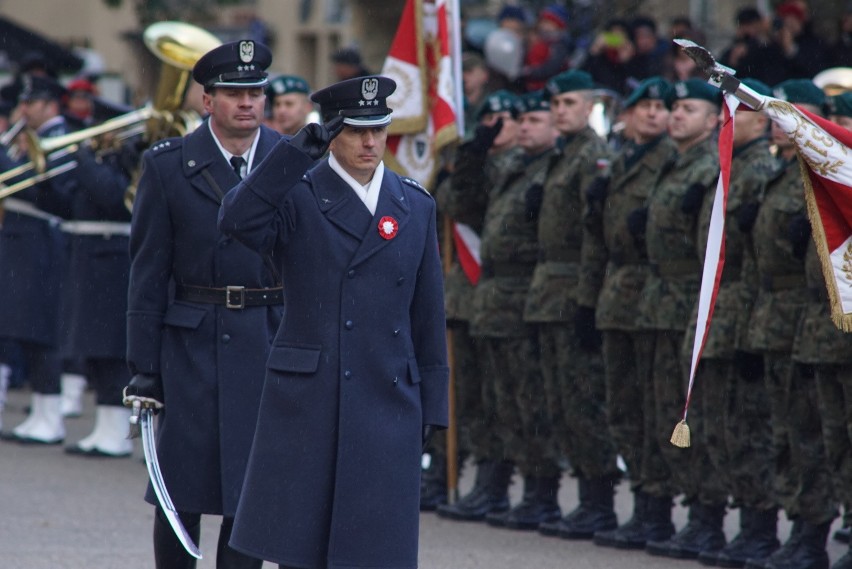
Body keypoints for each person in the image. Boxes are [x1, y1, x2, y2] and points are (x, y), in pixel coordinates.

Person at [219, 75, 449, 569]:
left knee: (376, 550)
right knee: (305, 550)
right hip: (311, 397)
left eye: (378, 130)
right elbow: (236, 221)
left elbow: (427, 315)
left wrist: (434, 405)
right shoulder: (297, 193)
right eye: (354, 131)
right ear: (330, 134)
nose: (369, 142)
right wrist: (292, 155)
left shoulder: (416, 203)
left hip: (387, 395)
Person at [122, 39, 285, 569]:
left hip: (267, 333)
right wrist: (143, 367)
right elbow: (149, 272)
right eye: (234, 93)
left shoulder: (289, 161)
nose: (247, 103)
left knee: (254, 492)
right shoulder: (169, 166)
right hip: (192, 342)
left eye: (255, 92)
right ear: (206, 100)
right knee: (181, 492)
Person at [580, 77, 677, 549]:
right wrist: (586, 299)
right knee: (622, 407)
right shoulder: (620, 162)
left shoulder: (670, 161)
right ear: (630, 114)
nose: (656, 114)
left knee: (650, 406)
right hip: (617, 297)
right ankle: (641, 501)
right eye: (648, 106)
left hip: (651, 295)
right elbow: (597, 244)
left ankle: (656, 507)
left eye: (664, 106)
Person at [527, 70, 621, 540]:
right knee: (562, 402)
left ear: (589, 107)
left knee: (585, 402)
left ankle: (600, 501)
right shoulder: (562, 155)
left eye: (568, 102)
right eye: (556, 103)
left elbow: (594, 237)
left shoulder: (593, 156)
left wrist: (587, 301)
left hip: (572, 292)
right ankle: (587, 498)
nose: (559, 109)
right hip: (549, 291)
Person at [632, 78, 722, 553]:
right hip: (656, 301)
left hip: (686, 301)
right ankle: (663, 509)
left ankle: (703, 515)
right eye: (676, 107)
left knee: (689, 414)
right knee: (656, 413)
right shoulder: (673, 163)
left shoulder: (709, 167)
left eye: (689, 108)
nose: (676, 114)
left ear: (712, 120)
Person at [0, 75, 75, 444]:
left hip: (39, 241)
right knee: (24, 331)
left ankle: (51, 413)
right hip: (20, 241)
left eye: (31, 103)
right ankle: (42, 412)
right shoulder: (25, 137)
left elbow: (49, 192)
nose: (23, 109)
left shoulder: (59, 137)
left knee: (40, 331)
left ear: (50, 105)